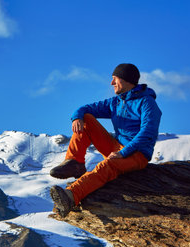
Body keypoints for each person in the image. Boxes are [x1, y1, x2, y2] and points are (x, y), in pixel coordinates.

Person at [49, 63, 162, 217]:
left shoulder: (147, 103)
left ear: (126, 79)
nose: (111, 83)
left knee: (106, 165)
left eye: (115, 79)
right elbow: (85, 108)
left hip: (137, 154)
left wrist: (123, 153)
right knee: (87, 119)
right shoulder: (116, 102)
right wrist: (77, 117)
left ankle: (71, 196)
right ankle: (75, 163)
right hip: (117, 147)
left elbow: (147, 133)